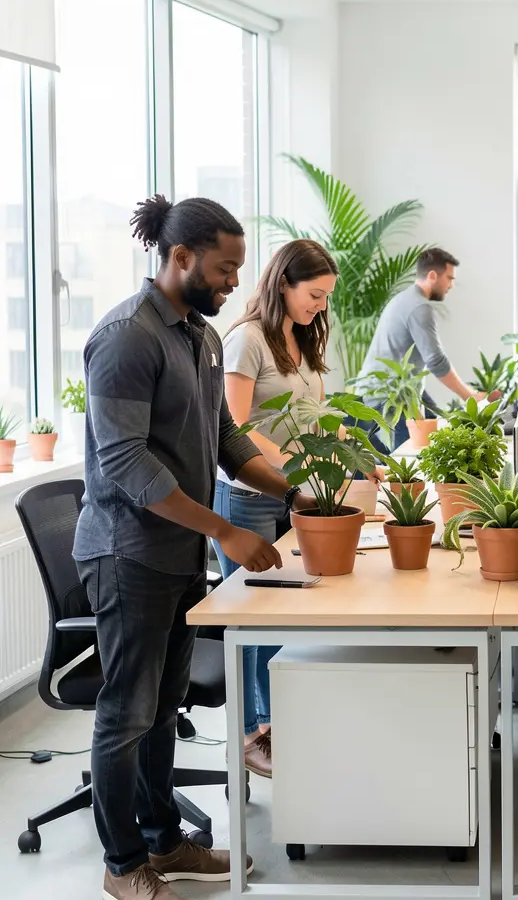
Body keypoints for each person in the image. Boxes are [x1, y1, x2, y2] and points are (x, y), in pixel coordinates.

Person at [73, 195, 317, 900]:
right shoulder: (126, 337)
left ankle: (164, 842)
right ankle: (123, 867)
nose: (235, 281)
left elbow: (227, 441)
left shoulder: (200, 337)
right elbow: (126, 463)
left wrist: (292, 495)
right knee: (127, 712)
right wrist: (226, 531)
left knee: (164, 704)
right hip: (126, 553)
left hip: (178, 550)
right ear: (180, 259)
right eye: (225, 267)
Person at [211, 239, 338, 780]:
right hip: (247, 495)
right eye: (314, 294)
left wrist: (342, 460)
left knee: (280, 619)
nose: (321, 306)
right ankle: (246, 736)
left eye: (327, 297)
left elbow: (316, 415)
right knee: (249, 622)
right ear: (282, 282)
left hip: (292, 493)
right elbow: (232, 428)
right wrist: (290, 460)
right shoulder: (247, 341)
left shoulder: (302, 339)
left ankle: (269, 722)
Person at [356, 247, 483, 452]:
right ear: (432, 275)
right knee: (412, 457)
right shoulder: (419, 306)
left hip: (394, 388)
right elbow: (435, 361)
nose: (451, 285)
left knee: (432, 427)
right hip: (391, 394)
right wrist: (470, 395)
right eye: (449, 278)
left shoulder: (404, 299)